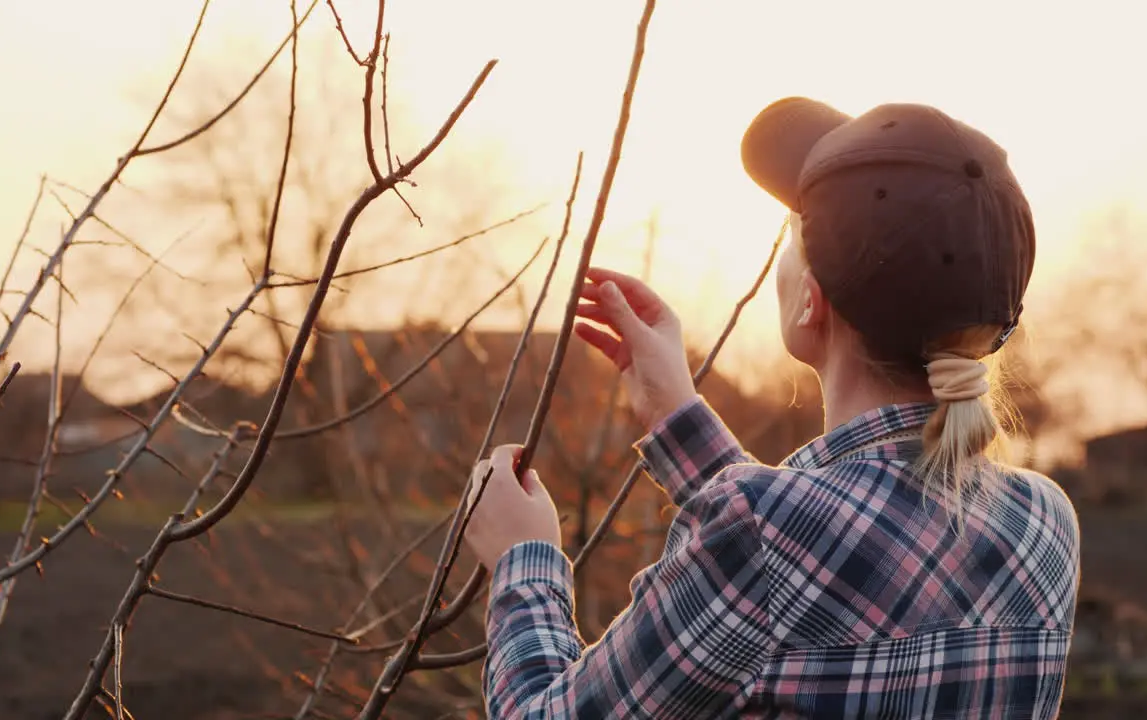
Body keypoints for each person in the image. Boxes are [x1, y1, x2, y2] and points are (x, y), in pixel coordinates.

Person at [461, 97, 1081, 719]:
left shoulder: (762, 536)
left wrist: (524, 560)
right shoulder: (1043, 524)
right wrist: (675, 414)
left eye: (795, 232)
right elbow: (827, 564)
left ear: (810, 302)